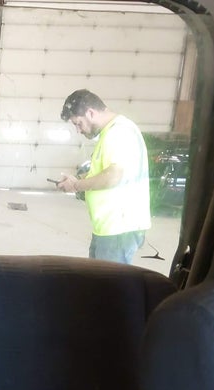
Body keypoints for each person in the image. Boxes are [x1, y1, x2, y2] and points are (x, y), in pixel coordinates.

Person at [56, 89, 150, 264]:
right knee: (97, 277)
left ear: (90, 113)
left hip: (118, 229)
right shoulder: (110, 132)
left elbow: (113, 176)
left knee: (108, 281)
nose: (78, 130)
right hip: (108, 228)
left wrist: (76, 186)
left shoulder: (119, 132)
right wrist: (77, 179)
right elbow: (102, 172)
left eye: (78, 123)